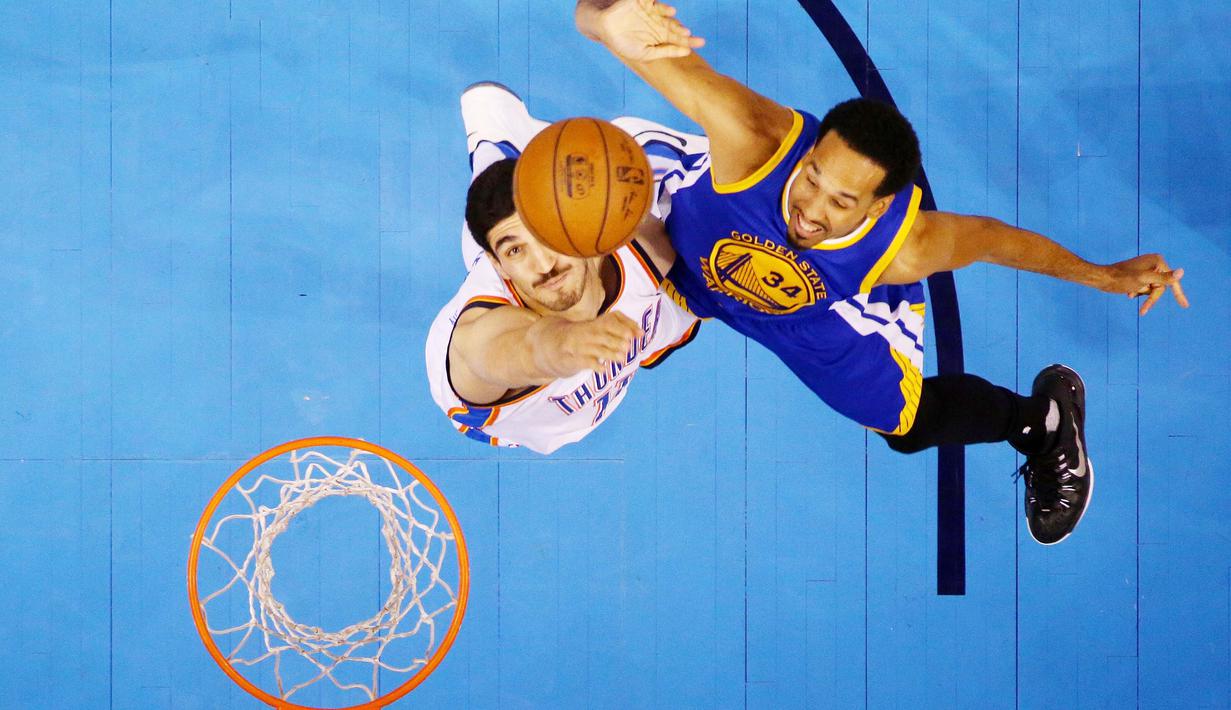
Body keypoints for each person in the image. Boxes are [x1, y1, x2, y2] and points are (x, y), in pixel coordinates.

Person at [574, 0, 1189, 544]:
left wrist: (1104, 276)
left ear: (877, 208)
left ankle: (1041, 423)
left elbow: (999, 242)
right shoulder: (749, 136)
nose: (810, 210)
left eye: (841, 203)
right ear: (809, 153)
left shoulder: (906, 247)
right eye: (814, 178)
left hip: (811, 311)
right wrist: (607, 17)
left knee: (902, 421)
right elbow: (592, 19)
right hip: (687, 249)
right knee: (570, 230)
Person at [425, 83, 701, 454]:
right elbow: (526, 350)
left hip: (628, 309)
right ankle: (497, 137)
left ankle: (502, 139)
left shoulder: (642, 244)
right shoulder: (479, 337)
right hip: (516, 415)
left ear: (574, 221)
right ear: (500, 266)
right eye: (516, 251)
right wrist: (568, 344)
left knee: (705, 280)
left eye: (546, 236)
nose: (544, 265)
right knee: (494, 204)